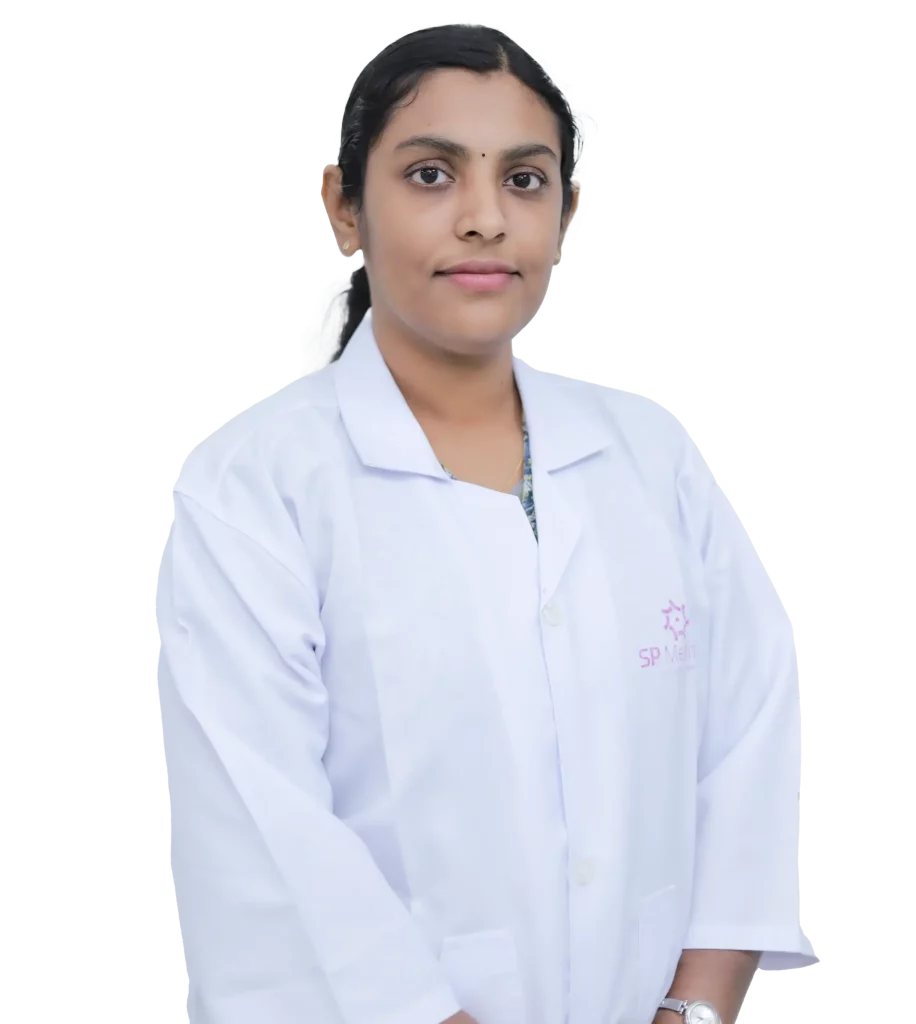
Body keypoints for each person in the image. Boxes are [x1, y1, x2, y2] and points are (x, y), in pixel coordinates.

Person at [157, 22, 815, 1024]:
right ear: (343, 205)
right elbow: (264, 830)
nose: (483, 219)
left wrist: (695, 1009)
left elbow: (749, 738)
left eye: (524, 180)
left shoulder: (652, 451)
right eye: (430, 175)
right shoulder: (252, 487)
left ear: (569, 210)